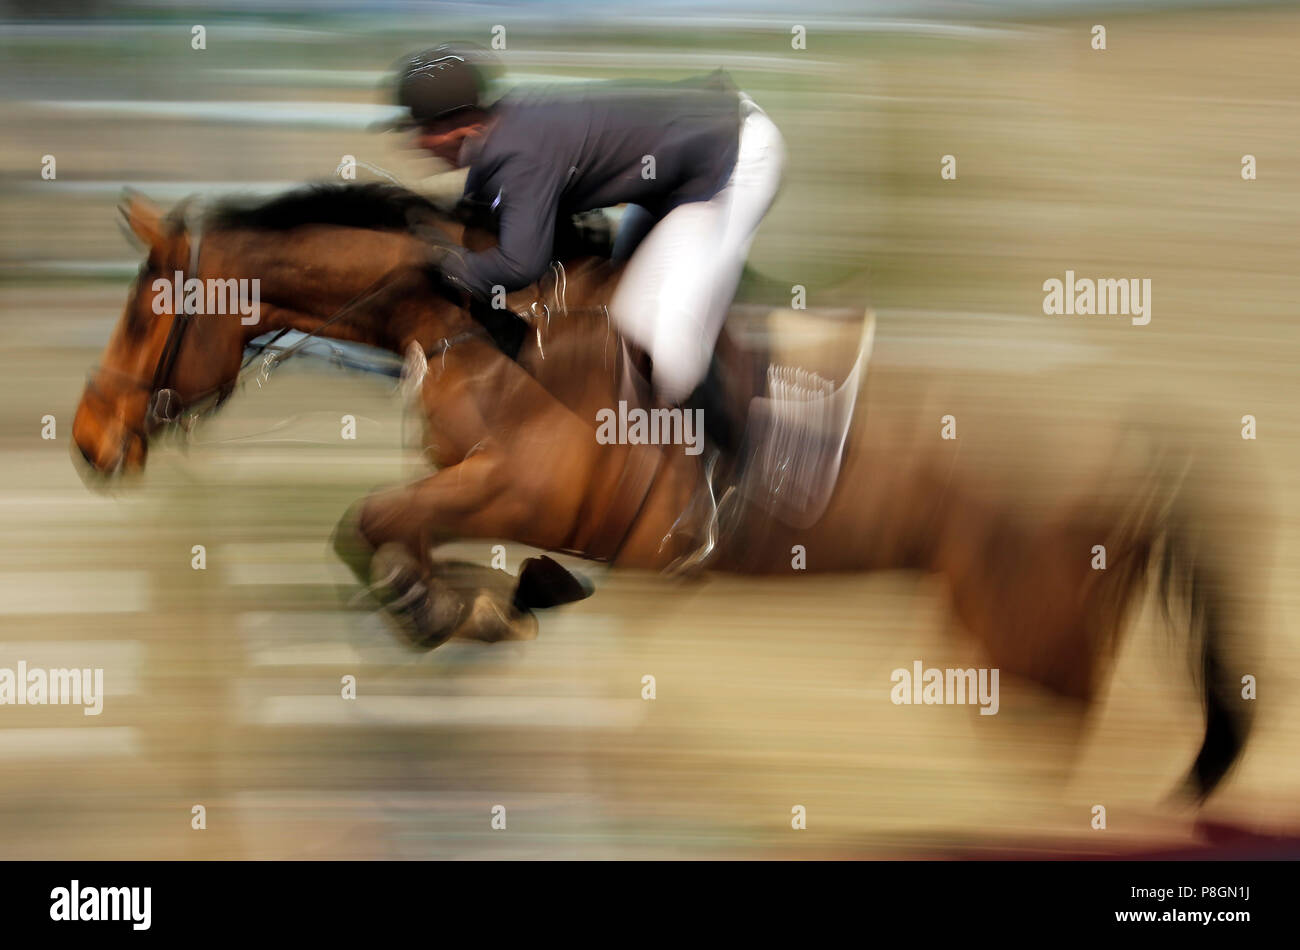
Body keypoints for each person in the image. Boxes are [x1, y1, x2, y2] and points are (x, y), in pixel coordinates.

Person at [387, 44, 785, 408]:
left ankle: (742, 455)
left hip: (734, 158)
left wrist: (443, 268)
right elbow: (489, 218)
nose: (417, 144)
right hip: (681, 173)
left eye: (423, 130)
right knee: (612, 306)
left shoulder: (519, 154)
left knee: (652, 327)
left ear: (462, 126)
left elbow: (519, 265)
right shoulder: (499, 140)